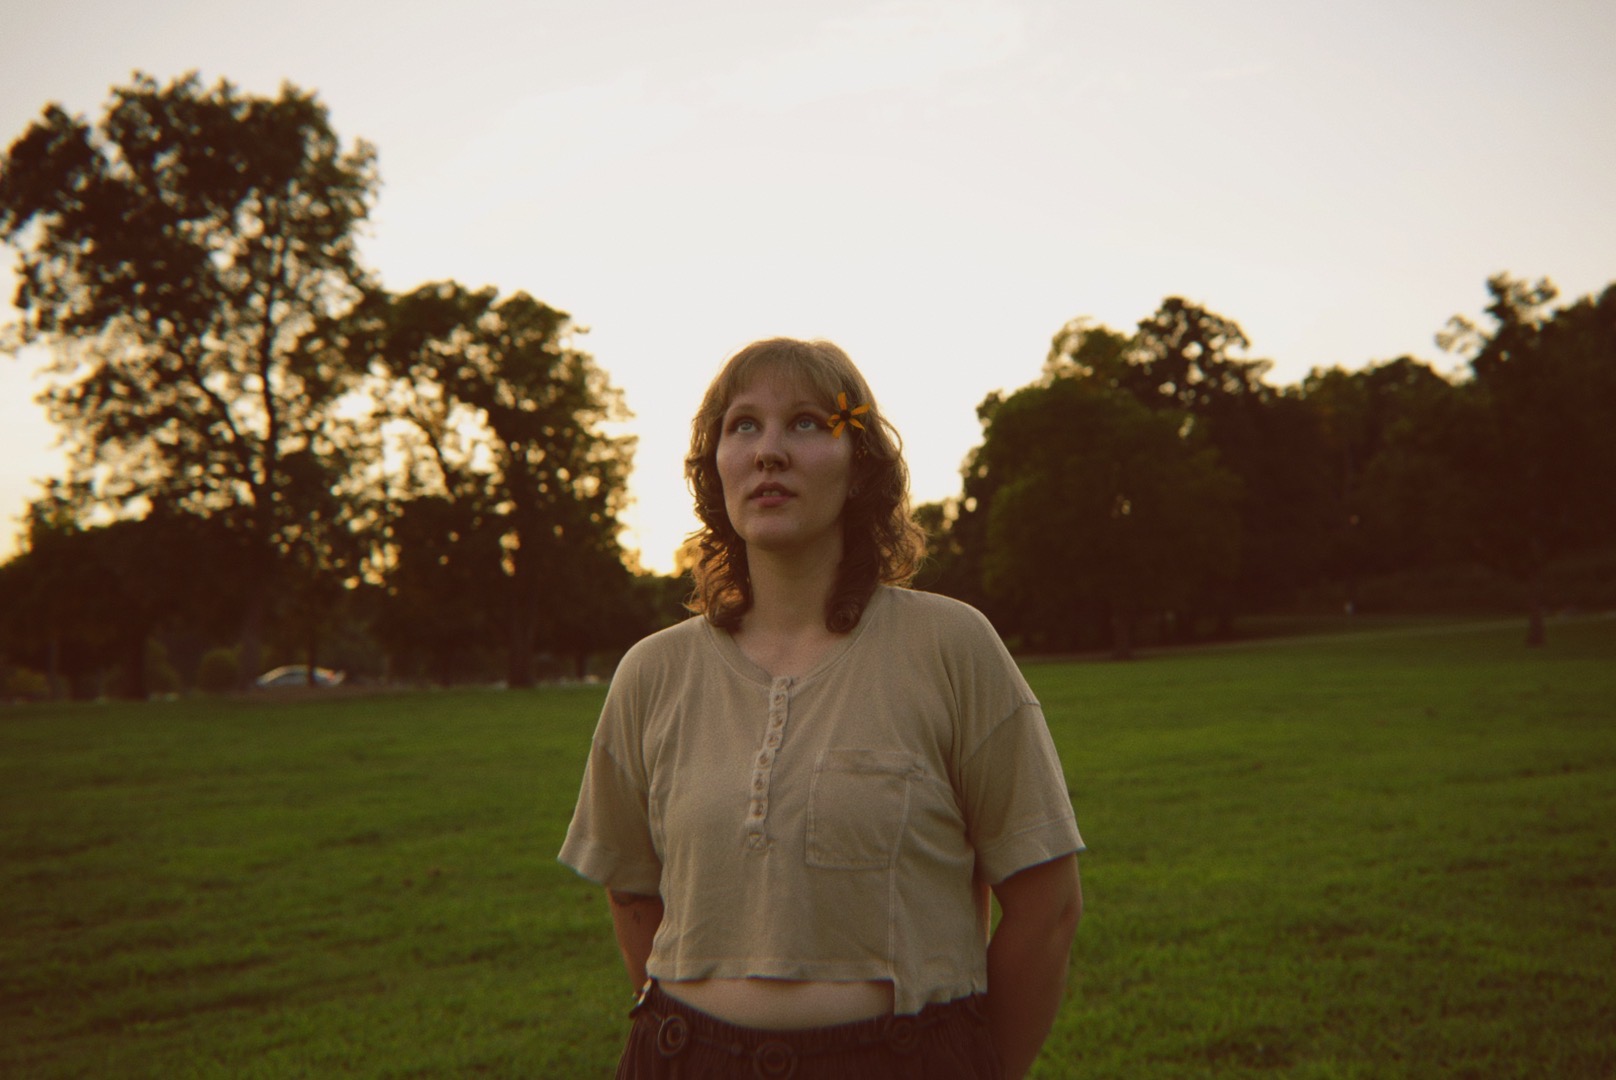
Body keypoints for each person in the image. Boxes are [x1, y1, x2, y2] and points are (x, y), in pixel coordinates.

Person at [560, 338, 1084, 1079]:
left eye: (806, 422)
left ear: (860, 465)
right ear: (716, 465)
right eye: (743, 425)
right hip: (682, 1057)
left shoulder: (951, 646)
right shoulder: (652, 672)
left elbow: (1047, 907)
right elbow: (633, 892)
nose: (769, 451)